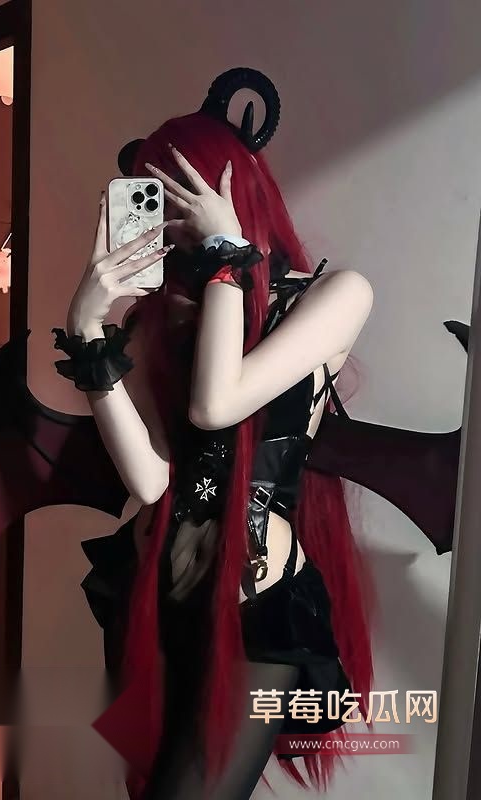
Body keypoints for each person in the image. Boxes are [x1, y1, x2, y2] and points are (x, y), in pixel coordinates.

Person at [52, 69, 375, 800]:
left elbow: (216, 403)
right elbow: (149, 480)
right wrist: (89, 328)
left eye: (181, 197)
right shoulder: (158, 322)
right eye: (151, 202)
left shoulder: (333, 296)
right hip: (158, 590)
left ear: (234, 189)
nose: (168, 222)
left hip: (256, 602)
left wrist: (227, 257)